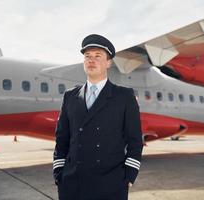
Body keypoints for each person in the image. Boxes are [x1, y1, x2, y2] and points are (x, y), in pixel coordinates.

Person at [53, 34, 143, 200]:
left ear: (108, 62)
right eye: (87, 56)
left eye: (97, 56)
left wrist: (129, 176)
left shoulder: (124, 96)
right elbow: (62, 138)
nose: (91, 60)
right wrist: (59, 173)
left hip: (110, 186)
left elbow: (135, 140)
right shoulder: (70, 96)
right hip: (72, 185)